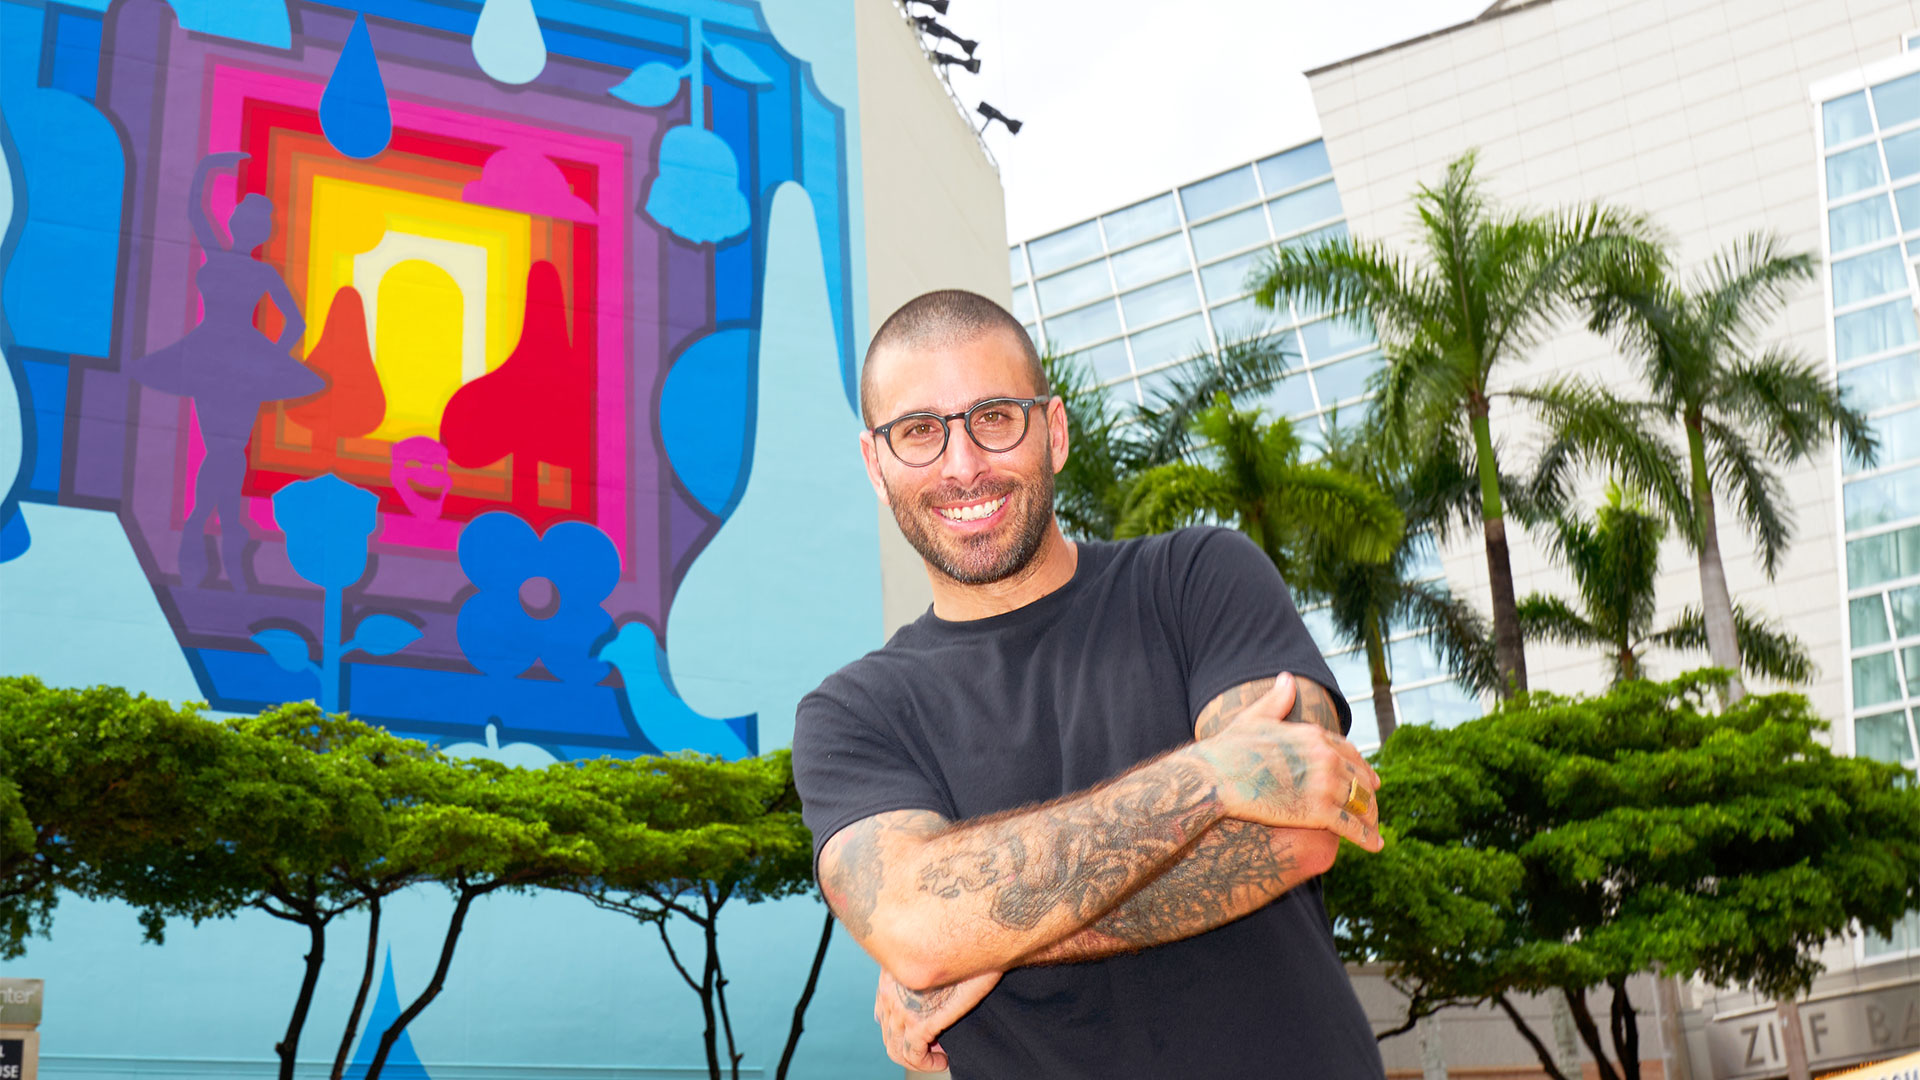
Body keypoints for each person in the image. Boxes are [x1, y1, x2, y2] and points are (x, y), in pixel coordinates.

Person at [791, 289, 1387, 1079]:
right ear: (877, 464)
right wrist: (1209, 777)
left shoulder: (1198, 580)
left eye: (995, 417)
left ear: (1055, 431)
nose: (962, 465)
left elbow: (1299, 831)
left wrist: (977, 941)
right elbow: (914, 929)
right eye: (920, 432)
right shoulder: (853, 714)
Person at [130, 151, 320, 591]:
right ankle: (227, 535)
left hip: (219, 359)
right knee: (227, 450)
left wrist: (269, 362)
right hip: (226, 361)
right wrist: (269, 360)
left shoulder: (245, 265)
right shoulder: (243, 264)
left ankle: (204, 530)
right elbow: (295, 324)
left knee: (224, 449)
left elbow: (297, 322)